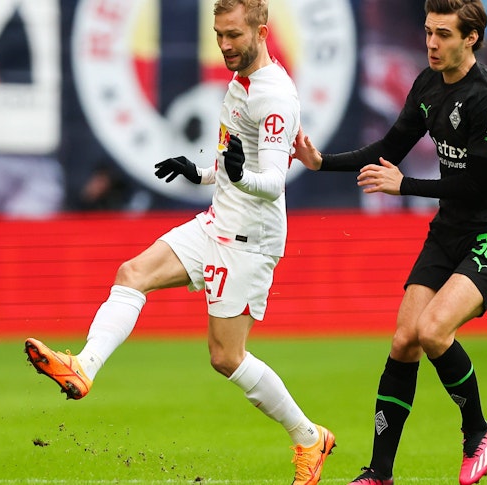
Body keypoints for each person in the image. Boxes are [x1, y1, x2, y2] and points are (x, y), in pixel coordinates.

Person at [24, 1, 335, 483]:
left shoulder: (274, 95)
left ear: (262, 31)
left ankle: (309, 437)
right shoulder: (239, 81)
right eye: (219, 35)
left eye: (234, 35)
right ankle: (82, 367)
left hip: (250, 240)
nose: (225, 46)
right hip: (217, 220)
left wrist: (235, 174)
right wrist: (206, 172)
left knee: (225, 358)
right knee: (132, 273)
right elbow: (240, 169)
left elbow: (273, 180)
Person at [294, 1, 487, 484]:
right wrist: (322, 162)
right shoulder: (428, 84)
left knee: (432, 331)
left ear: (471, 38)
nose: (431, 43)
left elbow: (476, 184)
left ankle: (477, 431)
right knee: (404, 340)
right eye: (428, 32)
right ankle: (379, 473)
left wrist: (404, 186)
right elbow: (388, 149)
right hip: (452, 227)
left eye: (443, 34)